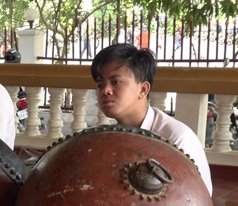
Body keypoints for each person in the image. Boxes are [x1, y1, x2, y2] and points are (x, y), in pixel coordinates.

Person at [91, 43, 212, 195]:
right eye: (100, 85)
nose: (105, 91)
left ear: (143, 89)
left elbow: (196, 203)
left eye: (115, 82)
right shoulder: (107, 139)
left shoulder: (176, 139)